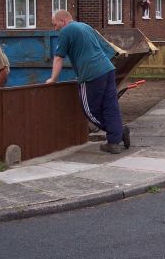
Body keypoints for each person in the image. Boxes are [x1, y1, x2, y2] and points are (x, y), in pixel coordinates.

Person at [46, 10, 129, 154]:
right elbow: (105, 48)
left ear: (63, 21)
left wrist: (53, 79)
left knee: (90, 110)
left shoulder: (66, 31)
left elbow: (59, 57)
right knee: (110, 106)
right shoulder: (85, 26)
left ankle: (119, 133)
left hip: (91, 74)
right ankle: (114, 142)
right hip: (108, 70)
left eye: (55, 24)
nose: (55, 28)